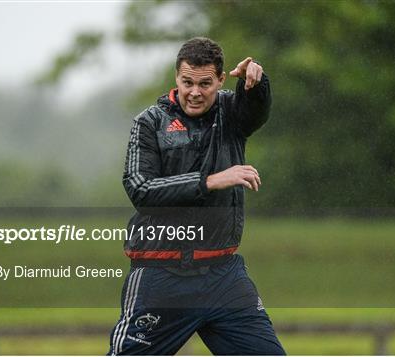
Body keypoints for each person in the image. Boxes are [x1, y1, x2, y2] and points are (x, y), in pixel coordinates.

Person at [108, 37, 285, 355]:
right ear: (176, 77)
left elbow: (255, 112)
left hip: (224, 277)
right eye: (187, 82)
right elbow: (140, 189)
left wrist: (255, 84)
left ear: (219, 80)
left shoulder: (230, 113)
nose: (195, 92)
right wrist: (211, 181)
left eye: (205, 84)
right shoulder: (150, 123)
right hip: (161, 277)